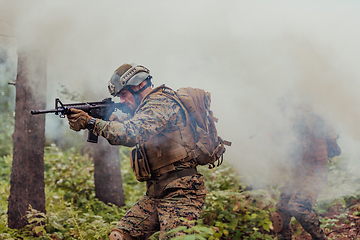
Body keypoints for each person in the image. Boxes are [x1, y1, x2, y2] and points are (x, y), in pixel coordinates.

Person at [67, 63, 209, 240]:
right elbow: (128, 129)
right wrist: (103, 120)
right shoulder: (145, 109)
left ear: (138, 85)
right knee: (119, 236)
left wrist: (92, 123)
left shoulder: (160, 102)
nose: (122, 101)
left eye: (124, 94)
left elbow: (131, 133)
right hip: (156, 193)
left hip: (181, 192)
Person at [271, 105, 341, 240]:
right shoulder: (293, 118)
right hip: (298, 173)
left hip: (315, 173)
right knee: (281, 213)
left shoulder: (311, 118)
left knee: (299, 206)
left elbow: (297, 146)